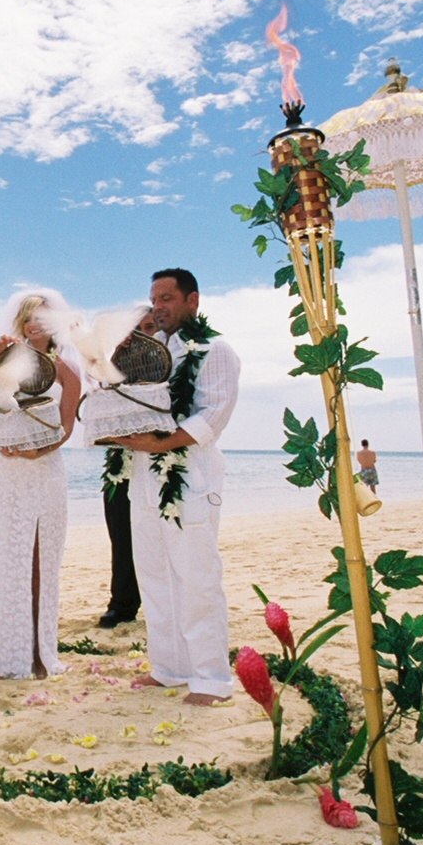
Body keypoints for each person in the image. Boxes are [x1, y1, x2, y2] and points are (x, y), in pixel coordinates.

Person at [107, 268, 240, 706]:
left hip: (189, 479)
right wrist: (118, 355)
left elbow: (212, 416)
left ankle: (211, 678)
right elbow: (115, 398)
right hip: (144, 478)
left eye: (167, 298)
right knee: (154, 576)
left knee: (197, 578)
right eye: (154, 299)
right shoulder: (151, 352)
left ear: (192, 300)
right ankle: (169, 668)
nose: (158, 306)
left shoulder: (213, 350)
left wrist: (160, 442)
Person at [0, 290, 81, 678]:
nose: (34, 325)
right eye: (29, 318)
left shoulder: (64, 370)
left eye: (42, 319)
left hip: (42, 472)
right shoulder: (5, 361)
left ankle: (35, 654)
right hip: (0, 473)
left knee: (38, 559)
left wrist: (37, 454)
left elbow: (65, 428)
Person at [98, 311, 160, 629]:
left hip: (162, 462)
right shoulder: (120, 370)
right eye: (134, 330)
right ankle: (122, 604)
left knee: (159, 539)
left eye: (148, 327)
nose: (141, 334)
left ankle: (163, 605)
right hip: (122, 463)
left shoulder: (172, 367)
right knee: (121, 534)